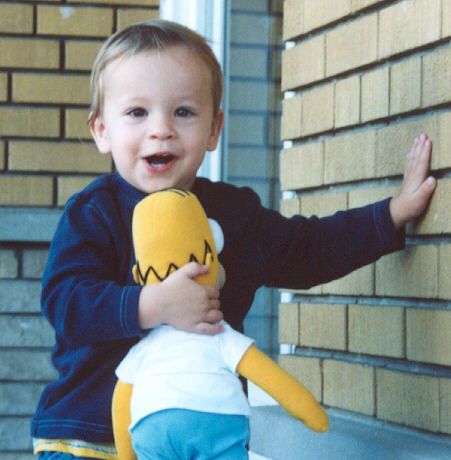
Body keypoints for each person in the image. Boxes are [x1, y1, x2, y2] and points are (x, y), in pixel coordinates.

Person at [31, 19, 436, 459]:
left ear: (214, 129)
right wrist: (151, 305)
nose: (161, 128)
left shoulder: (234, 215)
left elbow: (309, 249)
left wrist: (392, 214)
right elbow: (66, 302)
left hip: (202, 442)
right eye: (137, 113)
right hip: (90, 438)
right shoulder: (94, 213)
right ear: (101, 130)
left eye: (183, 112)